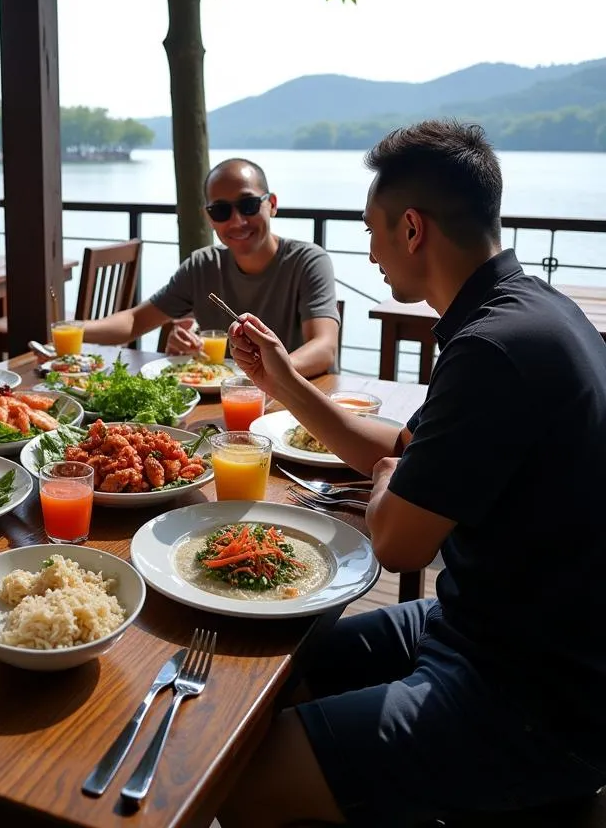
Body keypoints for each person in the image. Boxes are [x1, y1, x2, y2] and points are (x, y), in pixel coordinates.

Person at [219, 120, 606, 827]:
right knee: (283, 661)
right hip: (477, 625)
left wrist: (397, 476)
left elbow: (399, 542)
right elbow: (400, 445)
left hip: (537, 695)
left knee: (242, 779)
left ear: (412, 229)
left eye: (372, 231)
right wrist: (285, 381)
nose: (369, 254)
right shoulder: (525, 311)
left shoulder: (494, 349)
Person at [81, 157, 340, 376]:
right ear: (209, 217)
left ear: (271, 204)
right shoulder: (202, 266)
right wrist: (68, 330)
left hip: (293, 409)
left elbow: (324, 347)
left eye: (248, 205)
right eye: (220, 211)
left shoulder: (308, 261)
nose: (237, 221)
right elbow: (135, 321)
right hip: (226, 405)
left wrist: (262, 375)